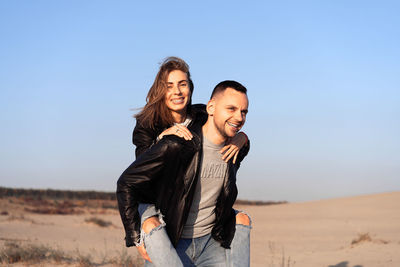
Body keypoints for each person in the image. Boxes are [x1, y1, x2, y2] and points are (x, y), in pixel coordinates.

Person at [117, 58, 251, 266]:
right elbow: (141, 173)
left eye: (182, 84)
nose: (177, 91)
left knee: (241, 219)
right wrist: (162, 141)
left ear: (190, 88)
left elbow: (223, 124)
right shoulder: (148, 125)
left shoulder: (199, 114)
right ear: (160, 90)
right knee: (152, 223)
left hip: (189, 205)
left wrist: (242, 138)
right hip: (156, 200)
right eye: (169, 86)